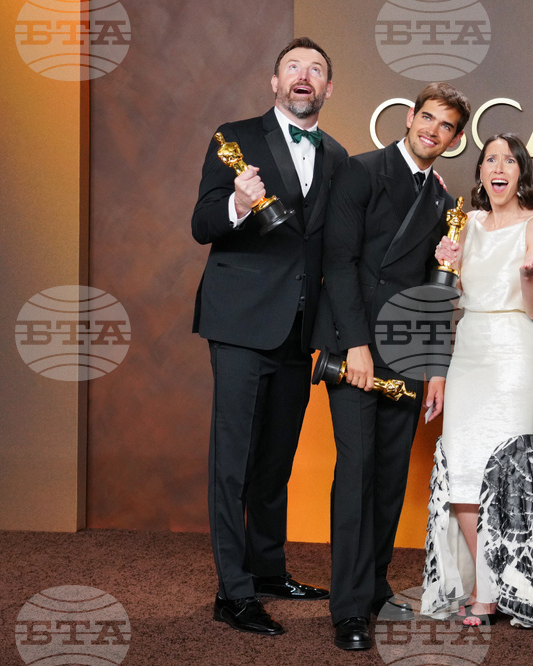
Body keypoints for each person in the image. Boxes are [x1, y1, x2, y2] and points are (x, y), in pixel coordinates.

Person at [190, 37, 348, 636]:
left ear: (328, 89)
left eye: (316, 70)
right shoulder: (235, 137)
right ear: (274, 82)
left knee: (276, 459)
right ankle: (232, 593)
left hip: (299, 329)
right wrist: (237, 200)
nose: (304, 77)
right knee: (232, 462)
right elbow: (202, 224)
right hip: (239, 322)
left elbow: (337, 247)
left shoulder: (336, 154)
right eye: (293, 68)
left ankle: (266, 568)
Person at [311, 82, 471, 651]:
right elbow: (340, 259)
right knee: (355, 475)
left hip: (406, 352)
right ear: (409, 118)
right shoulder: (361, 170)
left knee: (388, 474)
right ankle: (348, 608)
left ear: (455, 138)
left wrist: (433, 368)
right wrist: (354, 344)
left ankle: (375, 586)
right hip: (354, 347)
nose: (433, 130)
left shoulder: (442, 202)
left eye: (446, 125)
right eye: (426, 117)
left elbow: (433, 293)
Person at [421, 134, 533, 628]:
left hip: (514, 348)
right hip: (469, 345)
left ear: (522, 172)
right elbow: (449, 297)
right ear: (480, 171)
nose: (499, 168)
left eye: (509, 160)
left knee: (504, 473)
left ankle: (488, 591)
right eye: (489, 159)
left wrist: (525, 276)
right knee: (461, 475)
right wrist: (448, 268)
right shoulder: (467, 222)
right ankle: (488, 584)